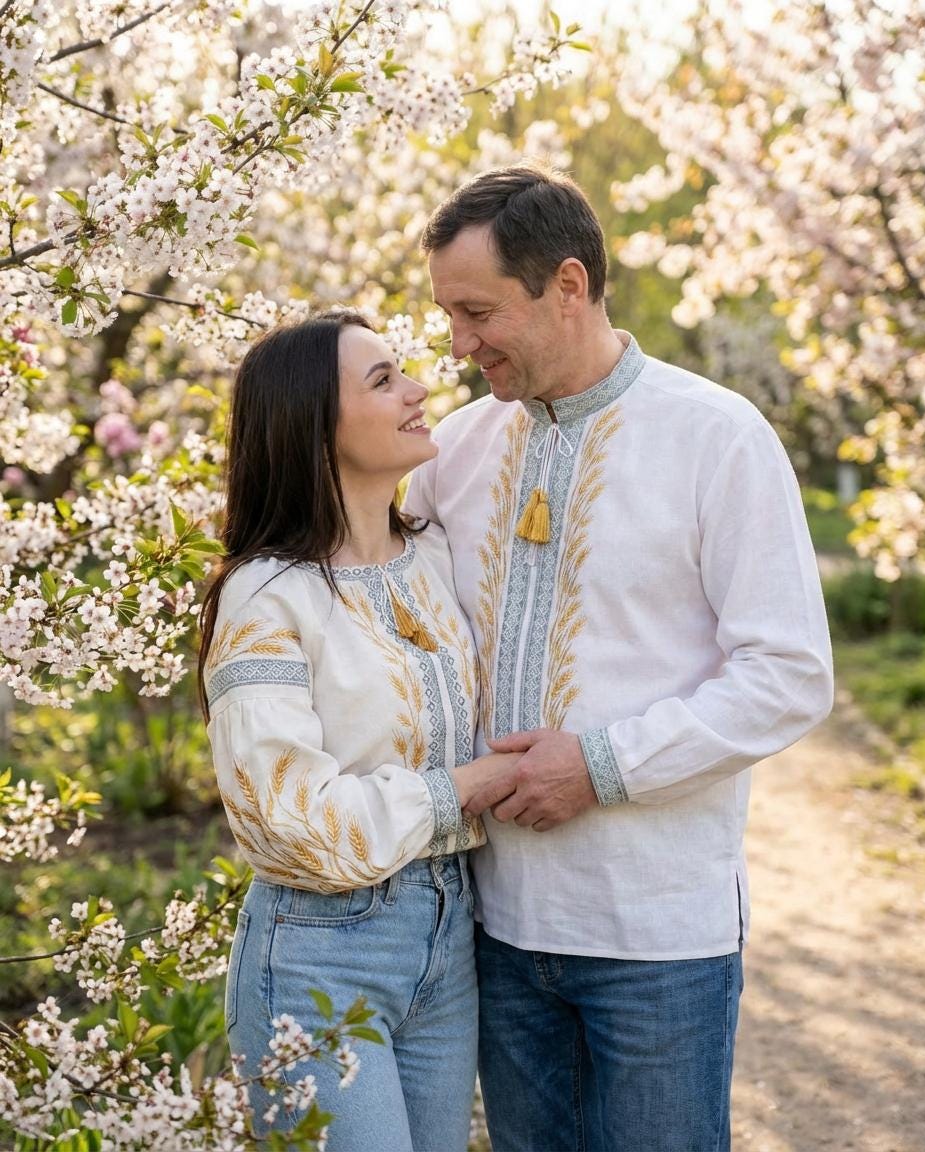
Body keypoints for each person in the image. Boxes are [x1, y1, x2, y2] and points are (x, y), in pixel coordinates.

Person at [404, 165, 834, 1152]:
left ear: (565, 285)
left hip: (657, 936)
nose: (458, 346)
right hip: (498, 930)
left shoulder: (717, 437)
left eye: (477, 313)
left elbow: (787, 674)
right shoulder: (453, 453)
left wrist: (598, 766)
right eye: (448, 315)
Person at [197, 312, 516, 1151]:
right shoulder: (269, 598)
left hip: (448, 936)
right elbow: (288, 824)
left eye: (403, 371)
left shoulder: (436, 558)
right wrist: (467, 788)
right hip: (319, 955)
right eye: (382, 381)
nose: (418, 391)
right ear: (312, 425)